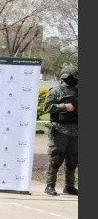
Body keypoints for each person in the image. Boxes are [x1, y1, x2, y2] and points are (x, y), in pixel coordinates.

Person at [43, 66, 78, 196]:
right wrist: (63, 106)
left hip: (76, 130)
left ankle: (69, 186)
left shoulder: (78, 91)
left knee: (73, 160)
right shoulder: (56, 91)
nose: (76, 79)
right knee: (56, 158)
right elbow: (47, 107)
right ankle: (50, 185)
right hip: (60, 129)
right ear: (66, 76)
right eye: (74, 76)